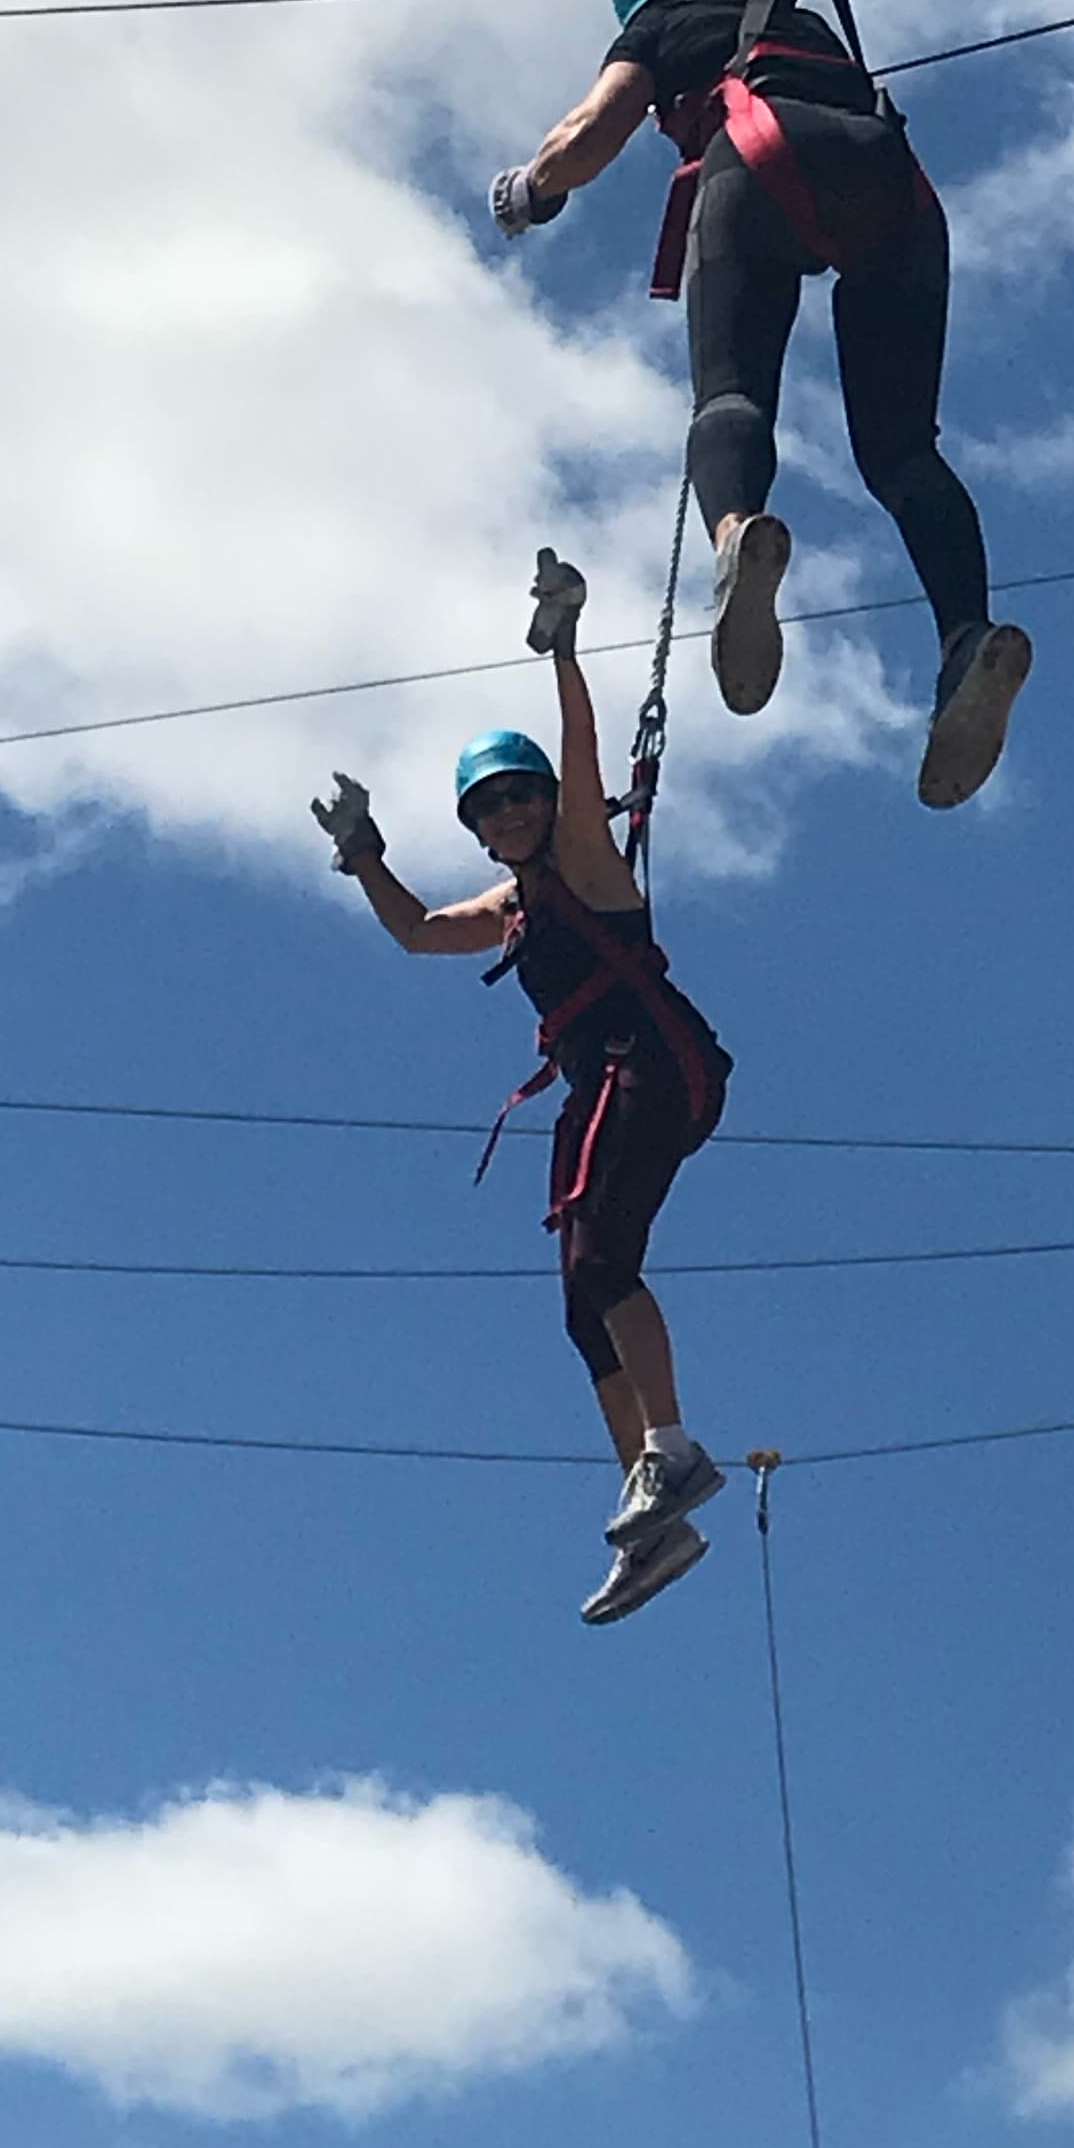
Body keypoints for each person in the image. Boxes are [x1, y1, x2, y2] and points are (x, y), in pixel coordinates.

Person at [489, 0, 1032, 810]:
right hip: (892, 179)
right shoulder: (795, 16)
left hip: (764, 155)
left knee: (730, 396)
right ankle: (965, 636)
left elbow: (593, 130)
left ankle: (739, 533)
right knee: (902, 451)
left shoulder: (664, 24)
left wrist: (530, 190)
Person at [312, 552, 732, 1628]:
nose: (504, 815)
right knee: (582, 1302)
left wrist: (567, 650)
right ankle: (651, 1503)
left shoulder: (586, 853)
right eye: (487, 808)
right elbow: (414, 933)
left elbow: (585, 756)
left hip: (649, 1066)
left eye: (517, 797)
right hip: (601, 1086)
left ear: (546, 801)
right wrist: (365, 854)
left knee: (603, 1261)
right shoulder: (514, 904)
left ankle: (673, 1452)